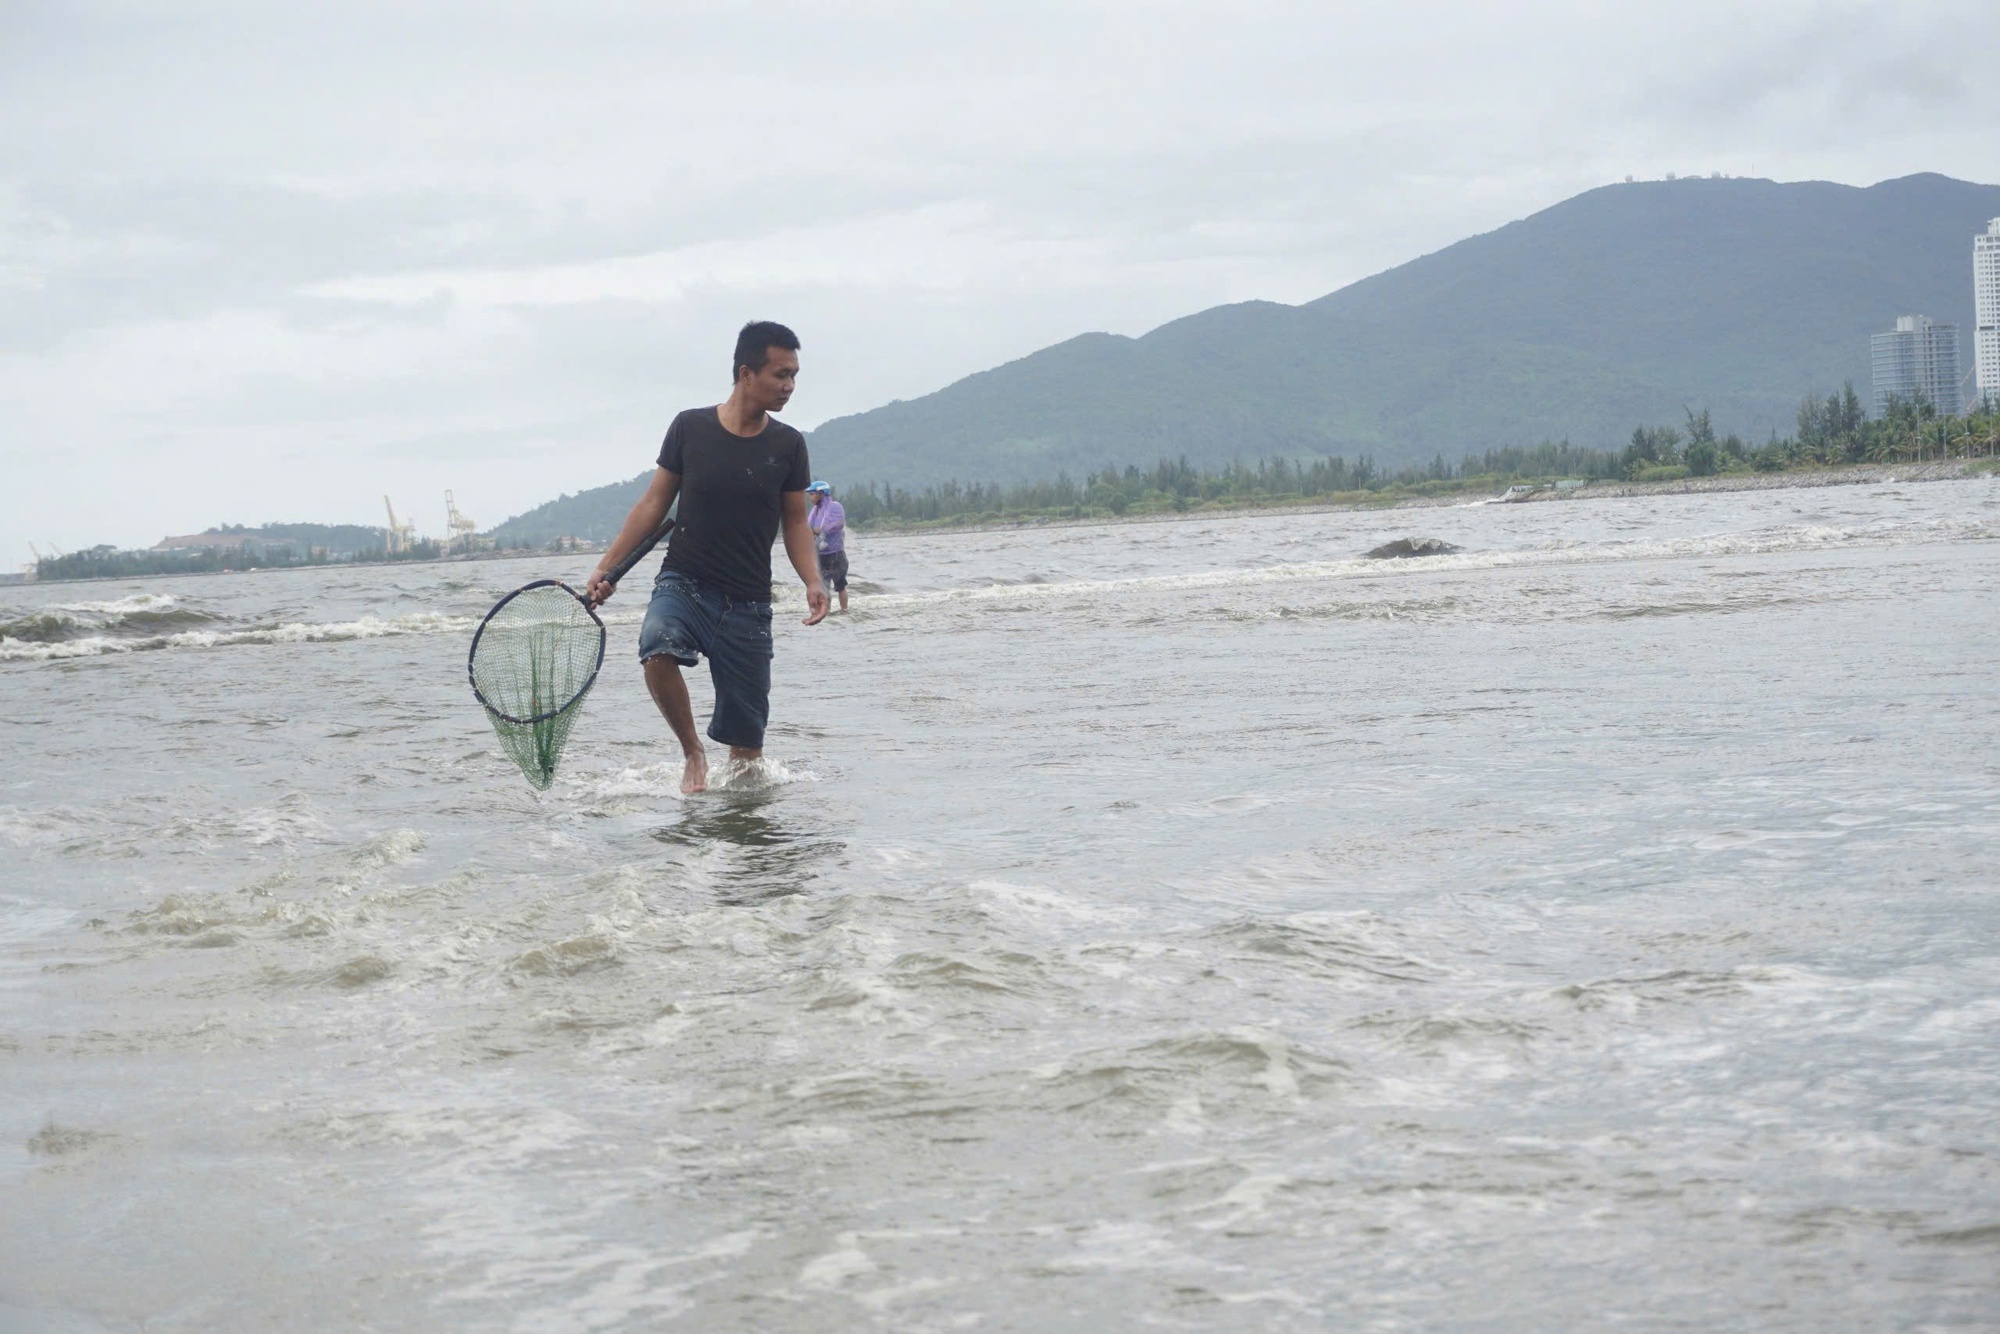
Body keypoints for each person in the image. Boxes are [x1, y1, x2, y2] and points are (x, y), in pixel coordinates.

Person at [587, 321, 828, 794]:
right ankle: (692, 752)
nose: (789, 386)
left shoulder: (788, 445)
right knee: (657, 645)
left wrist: (812, 581)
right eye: (780, 374)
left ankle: (743, 854)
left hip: (750, 604)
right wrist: (605, 565)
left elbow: (795, 522)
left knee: (746, 765)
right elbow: (653, 504)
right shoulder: (689, 428)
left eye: (795, 376)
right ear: (745, 373)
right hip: (685, 582)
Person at [806, 480, 849, 613]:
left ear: (821, 493)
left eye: (812, 494)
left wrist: (820, 529)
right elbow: (809, 528)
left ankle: (844, 610)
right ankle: (826, 611)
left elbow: (839, 524)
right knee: (824, 586)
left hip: (836, 553)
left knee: (840, 584)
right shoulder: (815, 510)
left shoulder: (835, 507)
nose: (810, 497)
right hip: (820, 554)